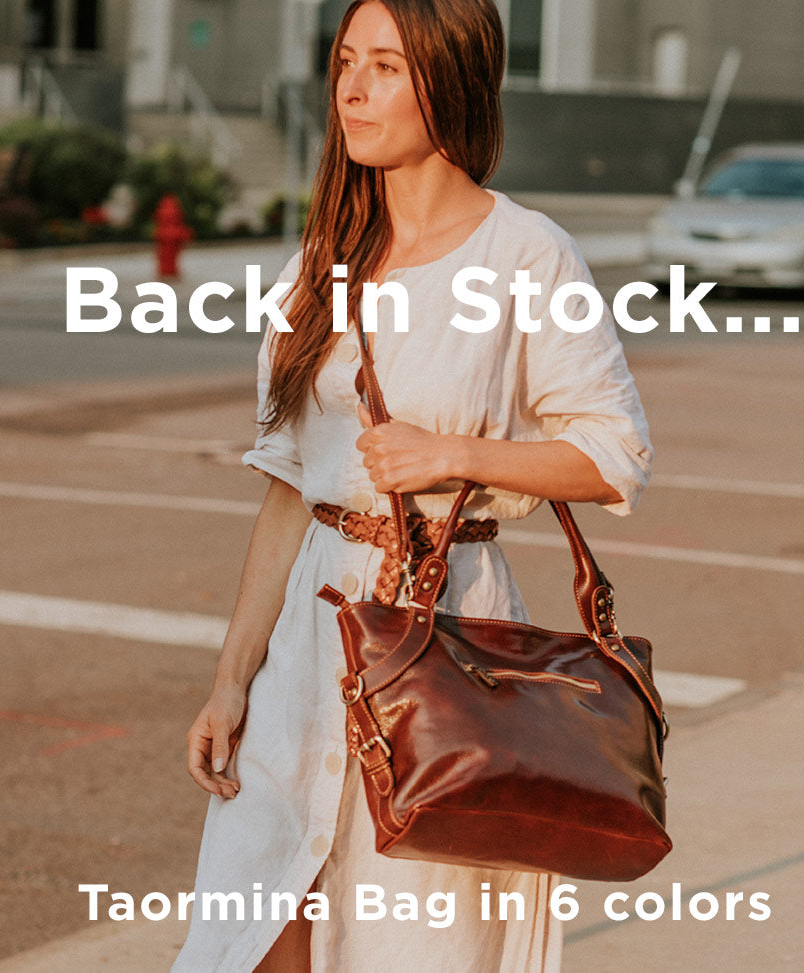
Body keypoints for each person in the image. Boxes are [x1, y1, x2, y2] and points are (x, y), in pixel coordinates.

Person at [174, 1, 652, 970]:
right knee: (256, 933)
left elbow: (613, 455)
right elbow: (287, 492)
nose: (352, 87)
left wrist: (453, 453)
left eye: (386, 66)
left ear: (453, 81)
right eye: (346, 60)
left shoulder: (525, 251)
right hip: (310, 653)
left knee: (406, 941)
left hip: (442, 657)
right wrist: (231, 683)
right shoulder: (318, 260)